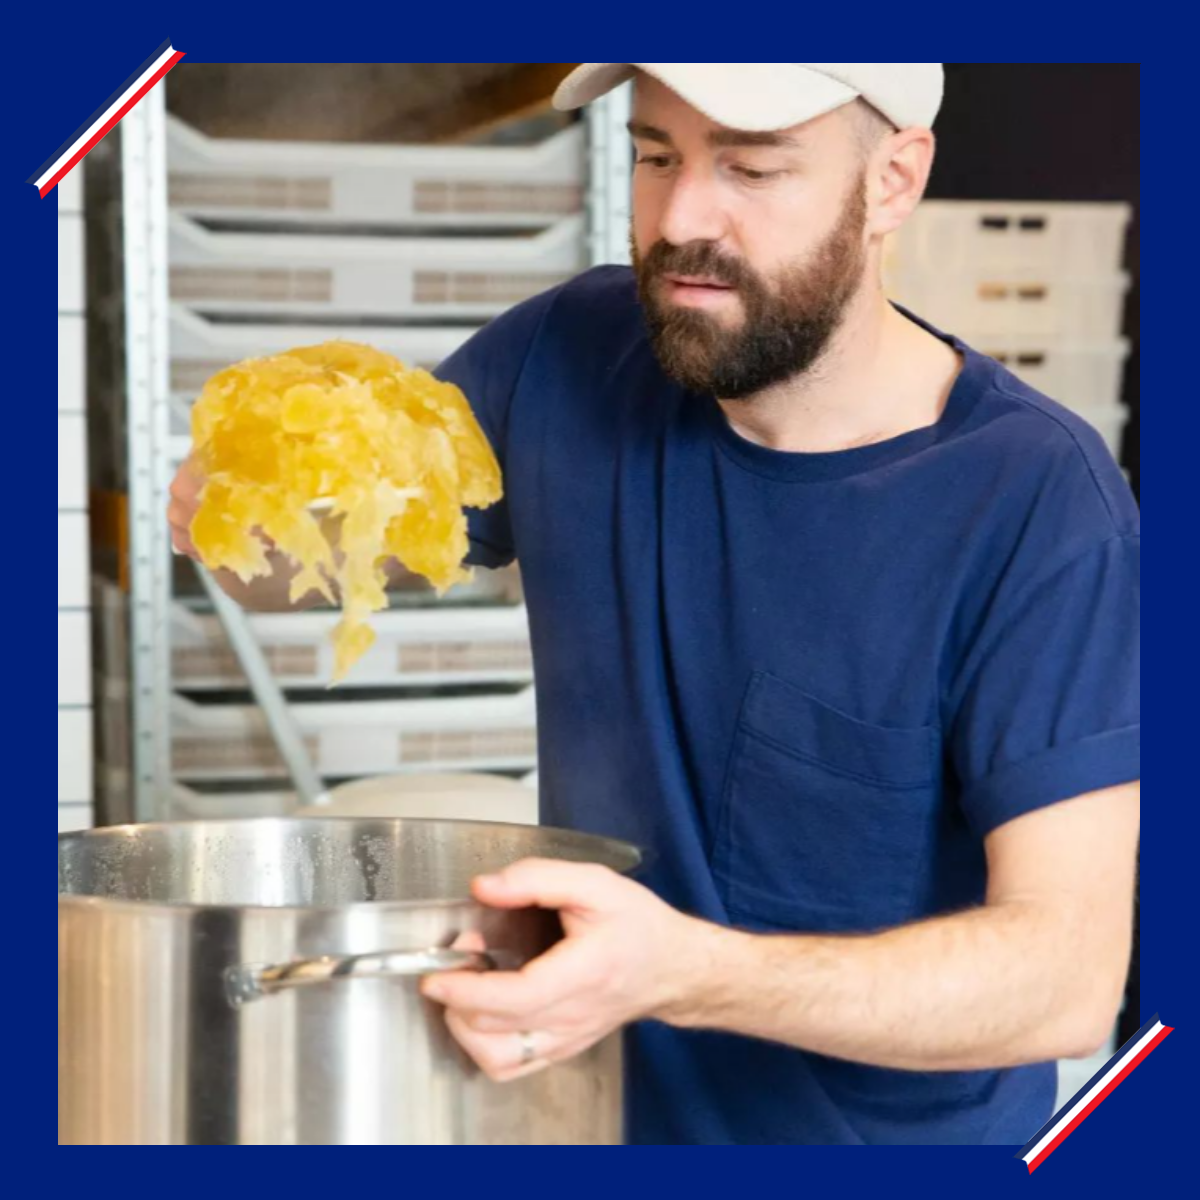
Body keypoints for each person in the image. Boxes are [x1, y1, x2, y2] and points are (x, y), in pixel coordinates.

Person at [169, 63, 1141, 1146]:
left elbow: (1065, 980)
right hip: (574, 1121)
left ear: (893, 181)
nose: (681, 219)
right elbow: (316, 557)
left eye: (752, 166)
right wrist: (242, 508)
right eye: (654, 155)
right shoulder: (564, 351)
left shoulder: (1038, 501)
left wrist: (681, 974)